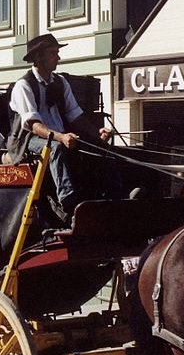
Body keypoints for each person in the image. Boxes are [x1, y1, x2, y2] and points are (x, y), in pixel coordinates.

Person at [7, 34, 111, 223]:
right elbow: (33, 125)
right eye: (53, 53)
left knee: (94, 147)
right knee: (55, 148)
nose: (58, 58)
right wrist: (60, 137)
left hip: (58, 135)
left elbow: (75, 115)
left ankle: (104, 195)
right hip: (27, 141)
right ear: (38, 58)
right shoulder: (23, 85)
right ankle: (68, 201)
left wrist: (96, 133)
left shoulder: (61, 82)